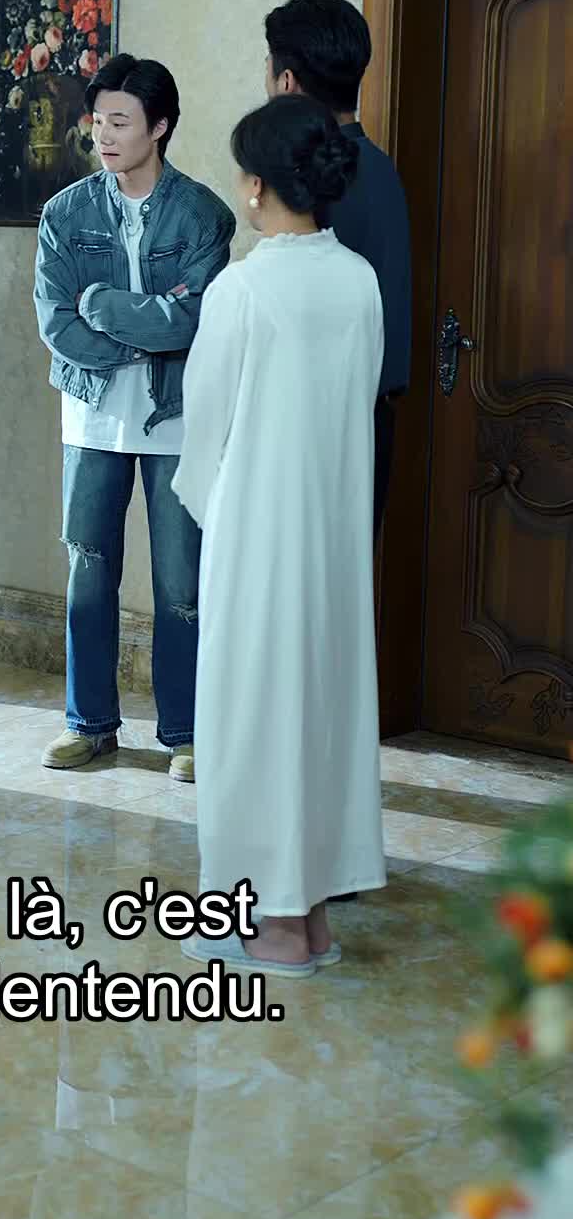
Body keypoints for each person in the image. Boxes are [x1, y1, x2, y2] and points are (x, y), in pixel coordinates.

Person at [174, 96, 385, 976]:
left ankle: (273, 925)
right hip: (333, 534)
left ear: (257, 186)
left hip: (259, 536)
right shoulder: (360, 280)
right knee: (321, 712)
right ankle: (315, 916)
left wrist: (210, 508)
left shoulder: (242, 288)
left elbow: (205, 429)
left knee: (253, 718)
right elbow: (361, 396)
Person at [34, 54, 235, 779]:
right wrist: (145, 327)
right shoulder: (65, 214)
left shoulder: (203, 215)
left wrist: (105, 306)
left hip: (177, 418)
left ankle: (186, 733)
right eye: (98, 122)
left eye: (120, 122)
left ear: (161, 127)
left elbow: (196, 320)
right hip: (91, 417)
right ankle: (88, 724)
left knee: (181, 583)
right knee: (89, 573)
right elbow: (57, 323)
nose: (104, 136)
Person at [264, 0, 410, 539]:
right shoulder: (382, 169)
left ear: (287, 82)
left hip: (314, 426)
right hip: (372, 419)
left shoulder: (308, 183)